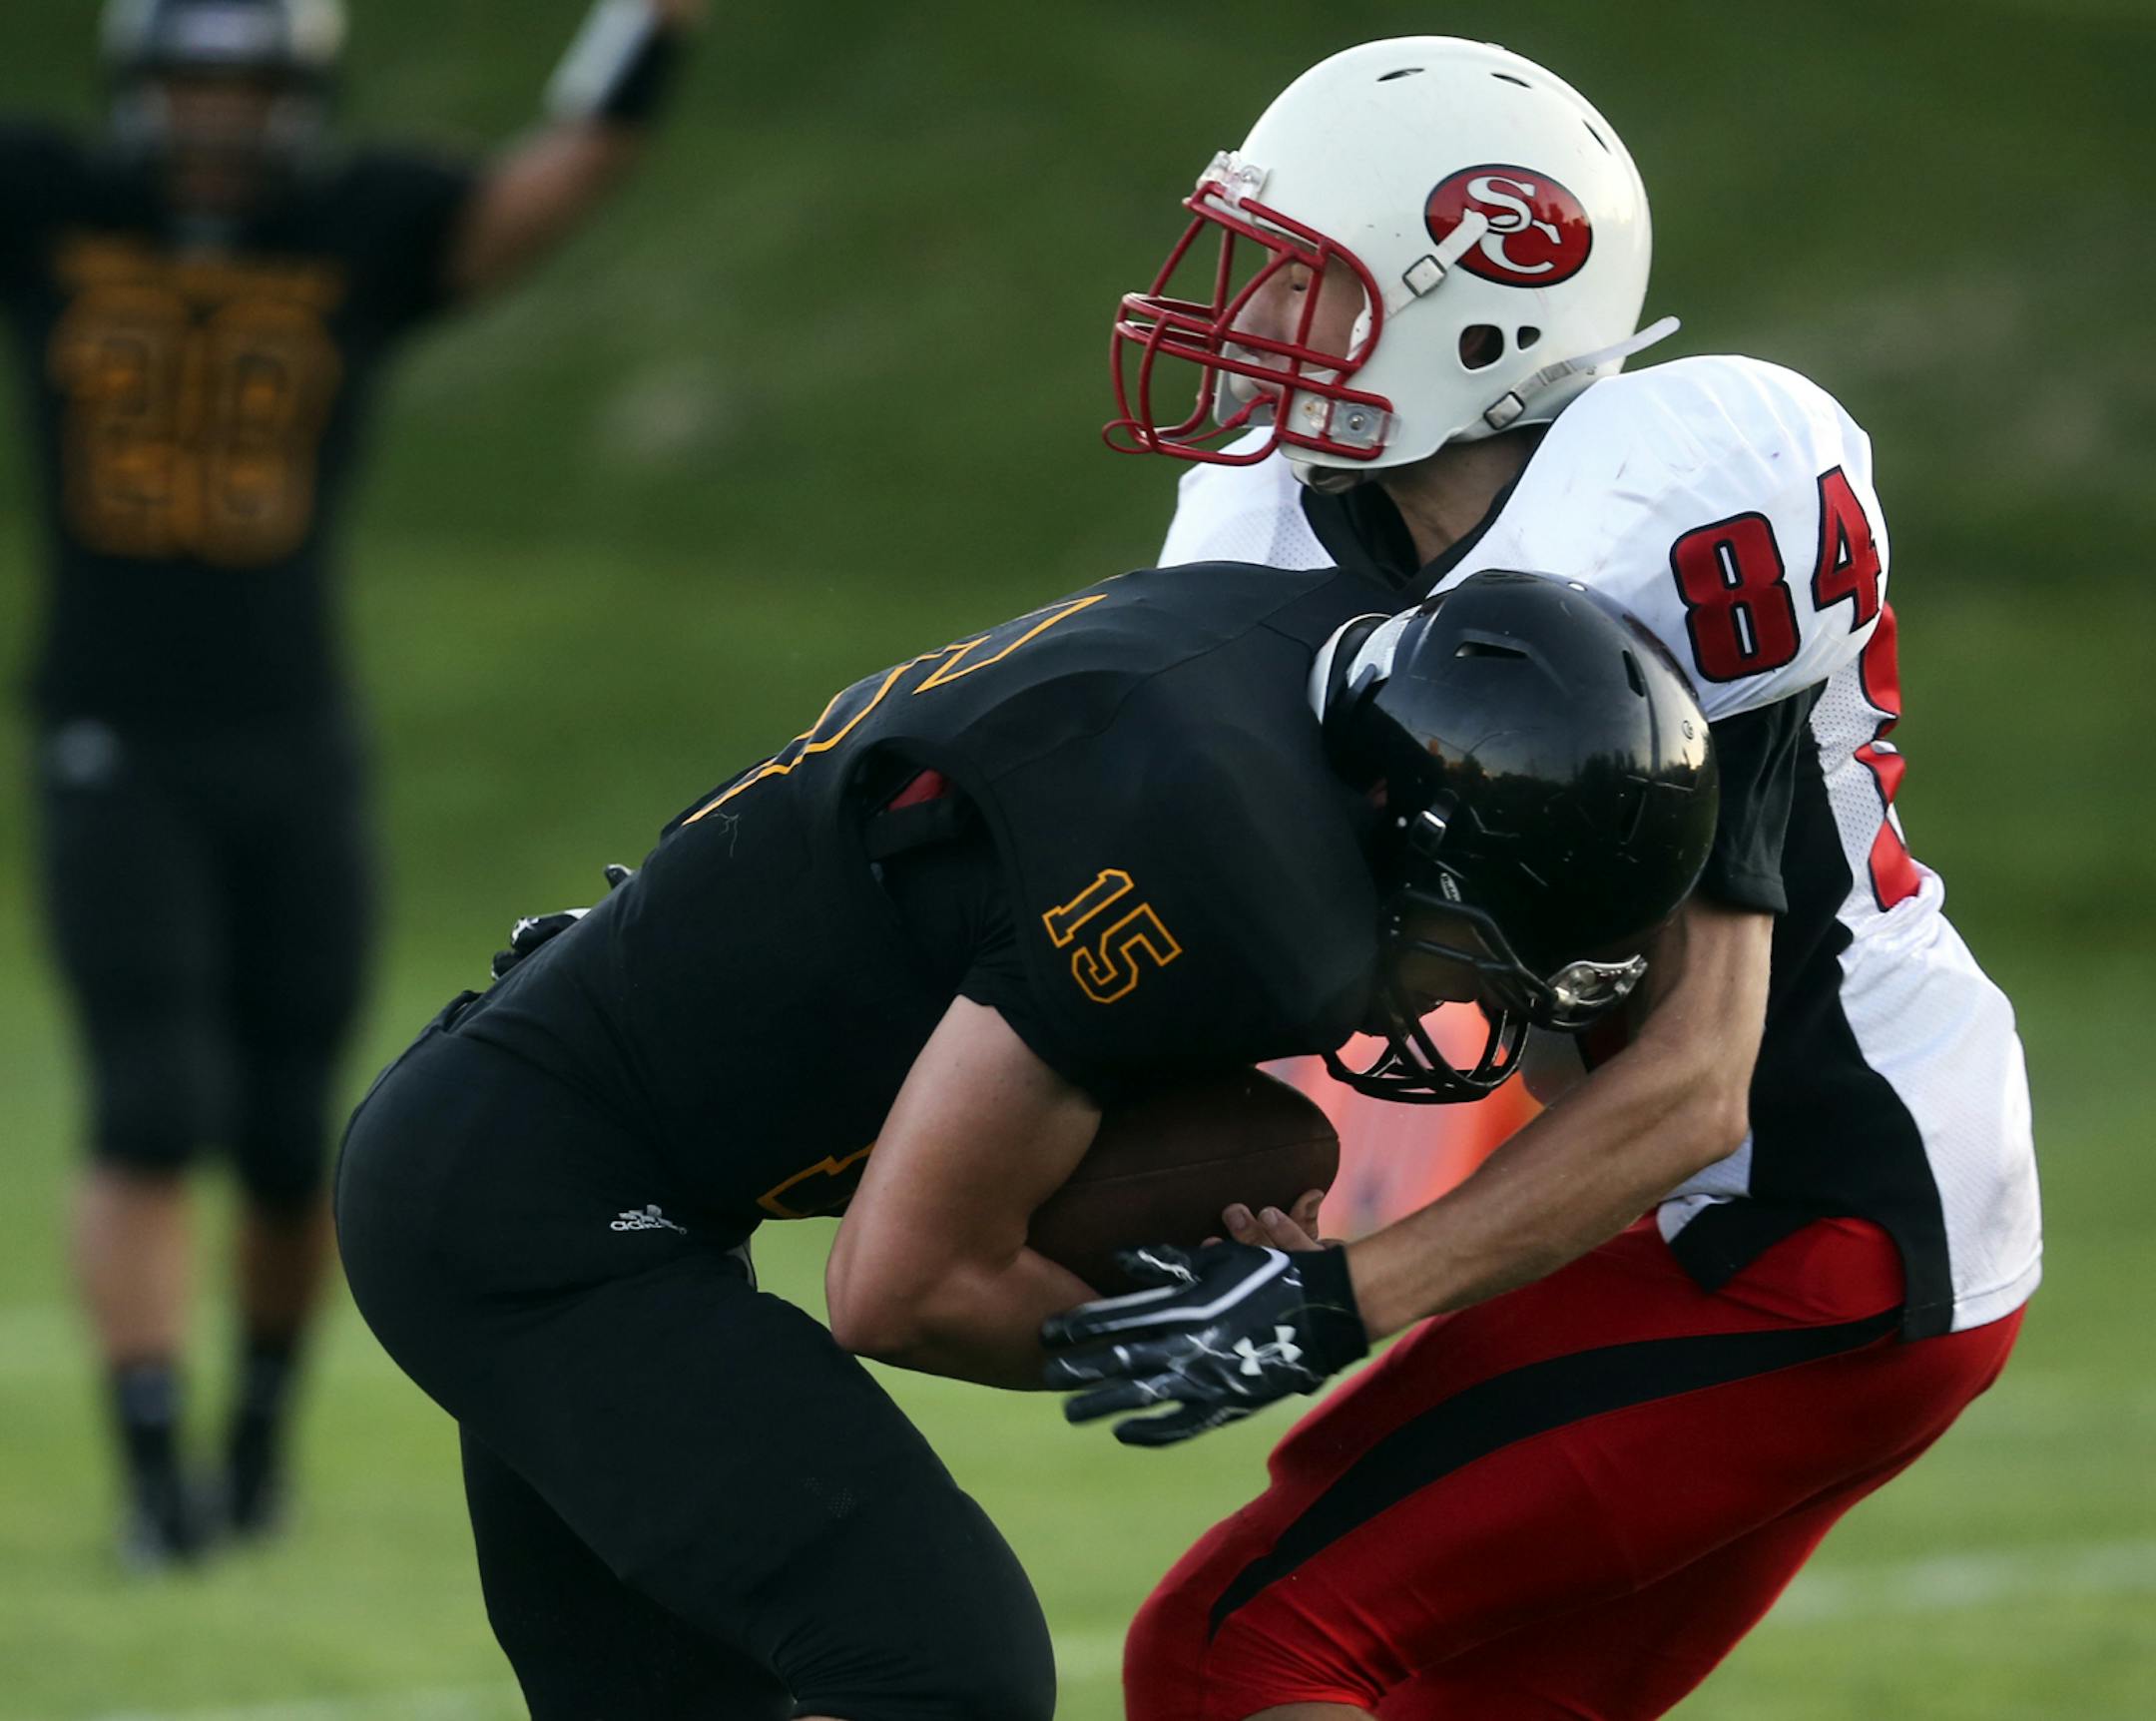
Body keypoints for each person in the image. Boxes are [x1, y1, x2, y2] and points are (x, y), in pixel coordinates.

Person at [1046, 36, 2042, 1721]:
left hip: (1823, 1225)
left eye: (1311, 289)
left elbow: (1696, 1088)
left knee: (1236, 1649)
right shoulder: (1297, 526)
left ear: (1478, 317)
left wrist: (1342, 1297)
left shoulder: (1661, 520)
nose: (1249, 322)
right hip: (1687, 1212)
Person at [334, 559, 1715, 1719]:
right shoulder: (1232, 871)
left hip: (532, 1153)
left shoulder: (1300, 650)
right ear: (1395, 815)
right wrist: (1225, 1332)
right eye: (1485, 946)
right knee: (948, 1676)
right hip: (536, 1214)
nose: (1480, 999)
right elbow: (902, 1290)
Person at [0, 0, 707, 1566]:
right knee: (144, 1102)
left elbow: (562, 173)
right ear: (137, 88)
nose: (211, 116)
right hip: (111, 734)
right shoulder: (55, 207)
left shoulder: (351, 231)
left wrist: (641, 33)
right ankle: (147, 1473)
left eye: (240, 86)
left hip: (291, 736)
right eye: (187, 82)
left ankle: (251, 1444)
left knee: (276, 1127)